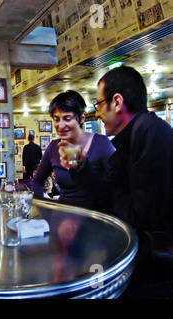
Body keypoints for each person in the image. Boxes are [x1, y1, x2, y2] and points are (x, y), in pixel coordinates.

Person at [59, 66, 173, 298]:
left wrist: (114, 194)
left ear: (117, 102)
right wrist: (81, 167)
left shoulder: (151, 133)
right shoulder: (130, 138)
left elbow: (144, 215)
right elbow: (104, 195)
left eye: (99, 105)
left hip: (159, 272)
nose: (98, 114)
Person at [32, 90, 115, 207]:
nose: (60, 125)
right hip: (66, 215)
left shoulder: (101, 143)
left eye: (67, 118)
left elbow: (116, 186)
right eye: (56, 119)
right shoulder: (53, 147)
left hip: (95, 217)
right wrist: (44, 210)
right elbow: (37, 181)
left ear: (81, 118)